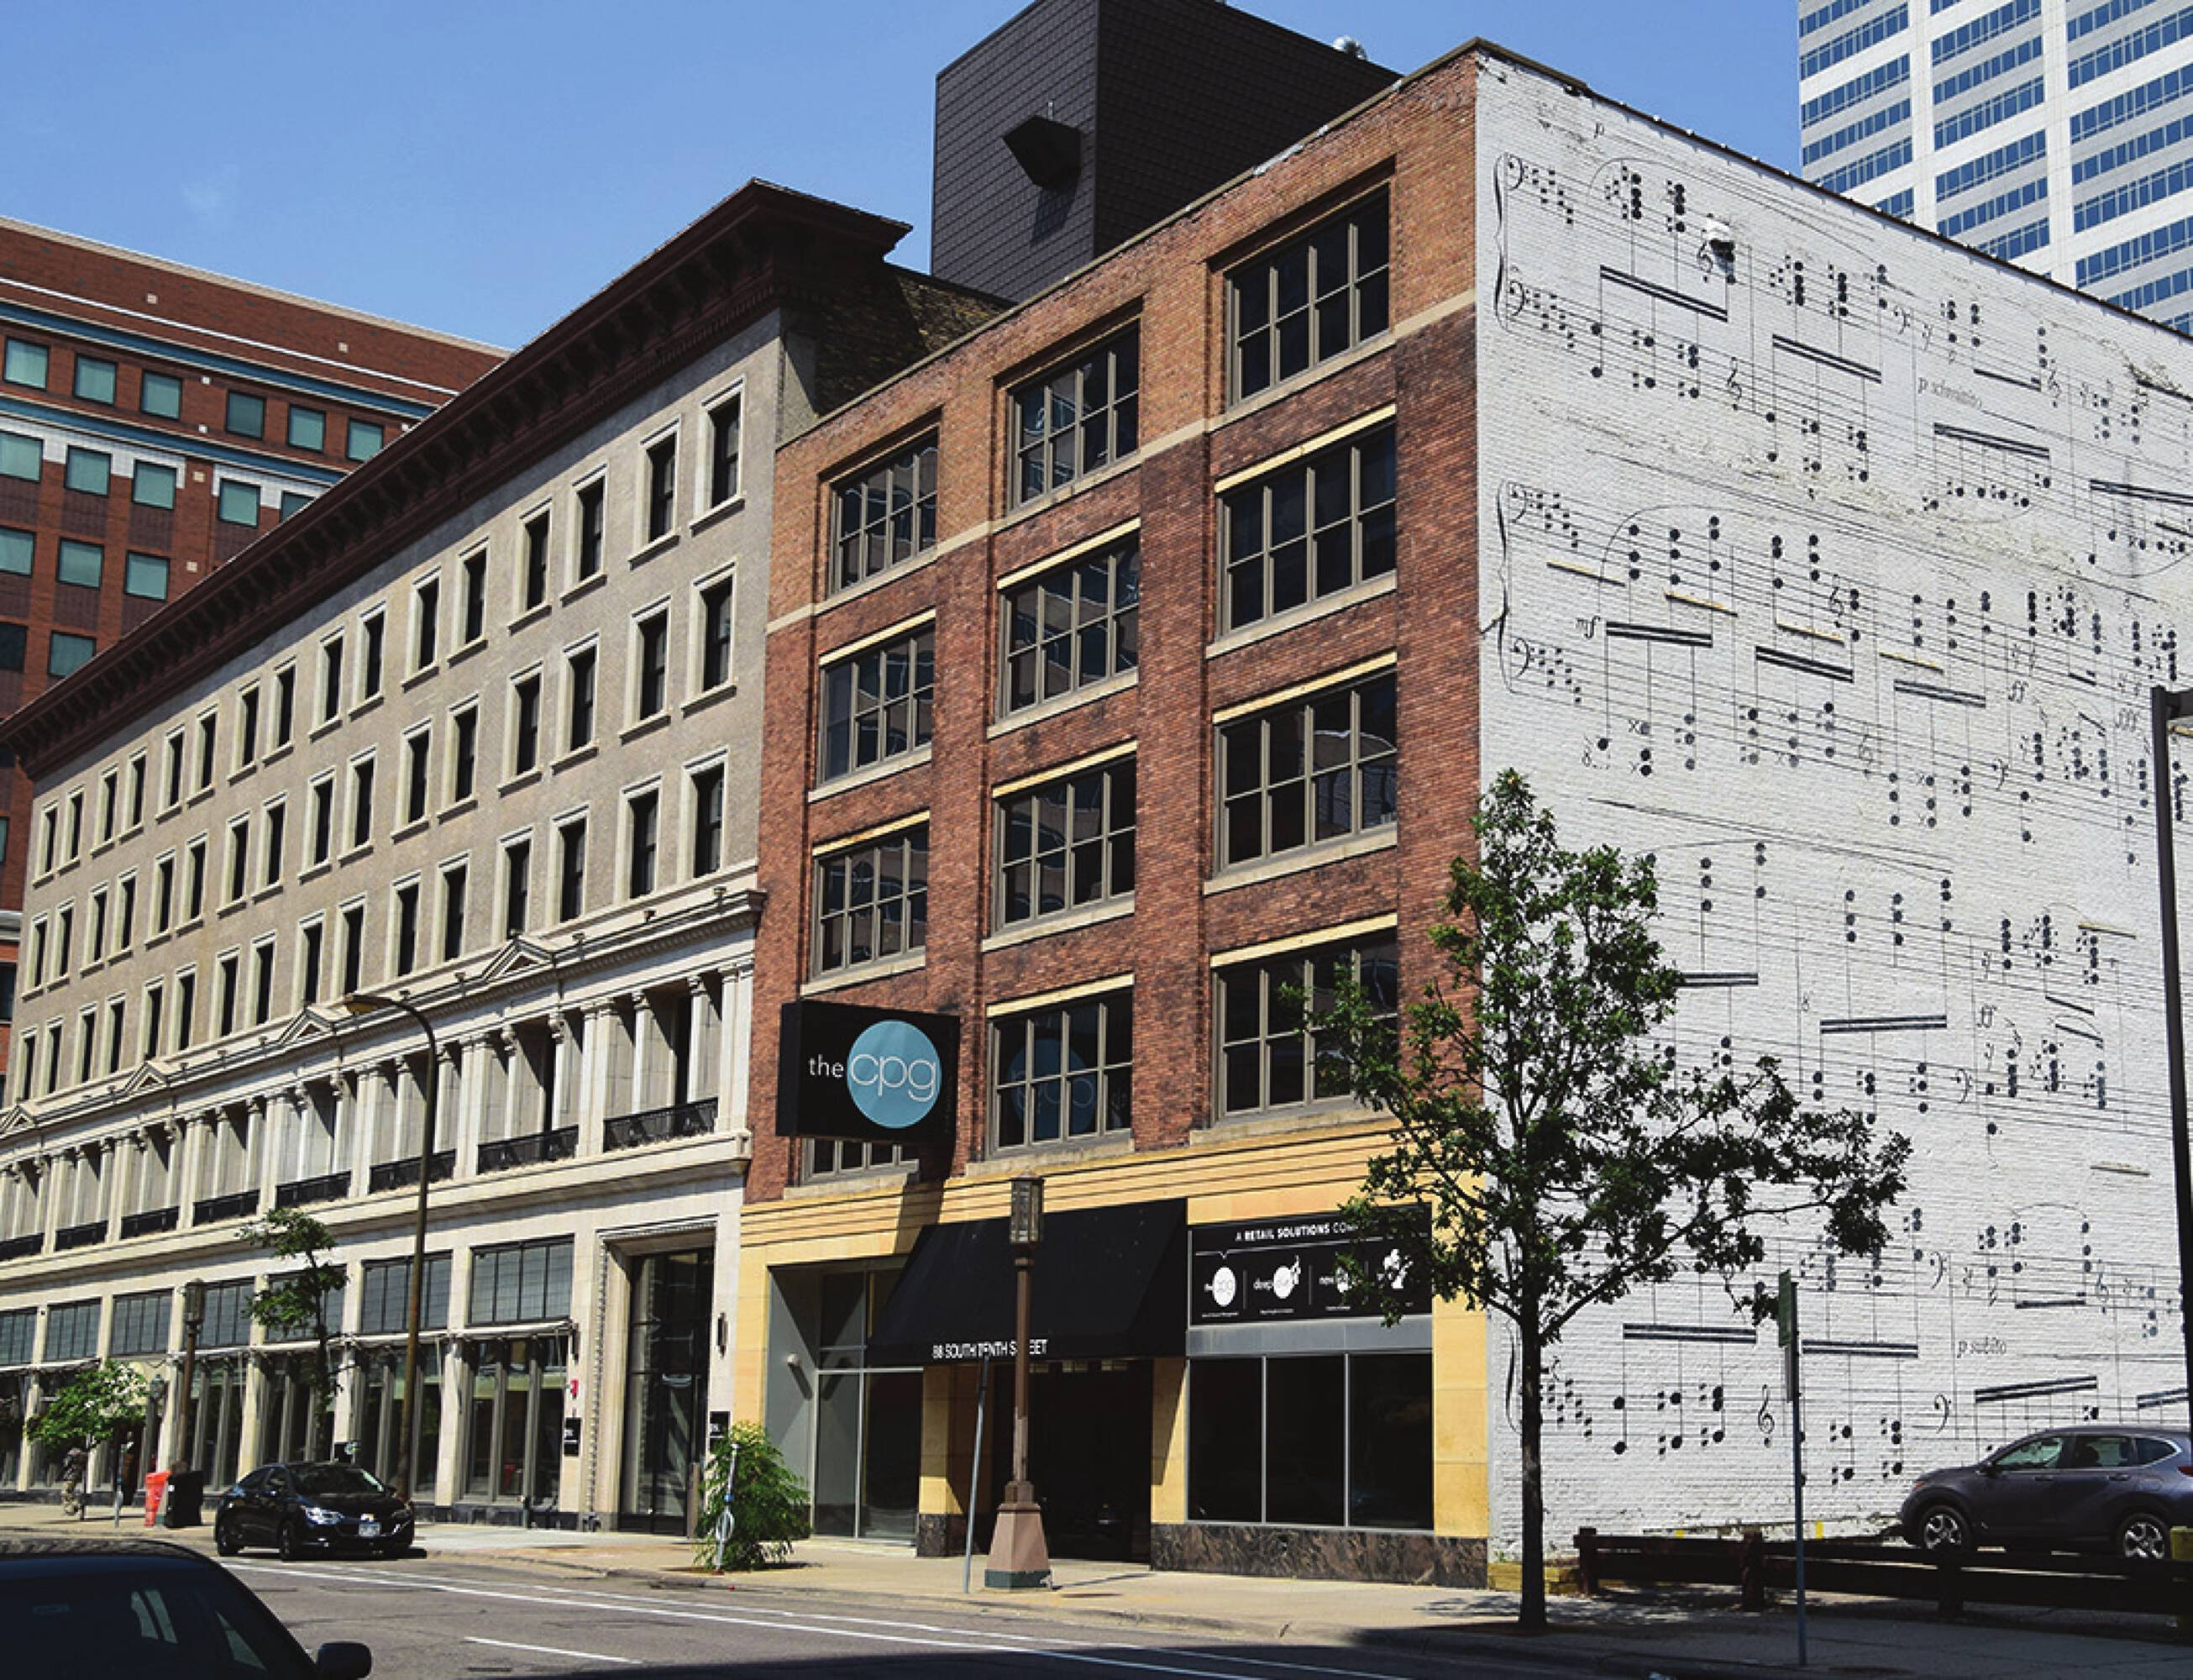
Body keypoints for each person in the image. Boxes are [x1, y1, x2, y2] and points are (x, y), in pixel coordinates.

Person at [60, 1443, 87, 1518]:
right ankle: (70, 1509)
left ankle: (76, 1506)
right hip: (76, 1475)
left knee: (66, 1492)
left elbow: (66, 1464)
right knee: (67, 1492)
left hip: (70, 1476)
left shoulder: (73, 1453)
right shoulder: (83, 1455)